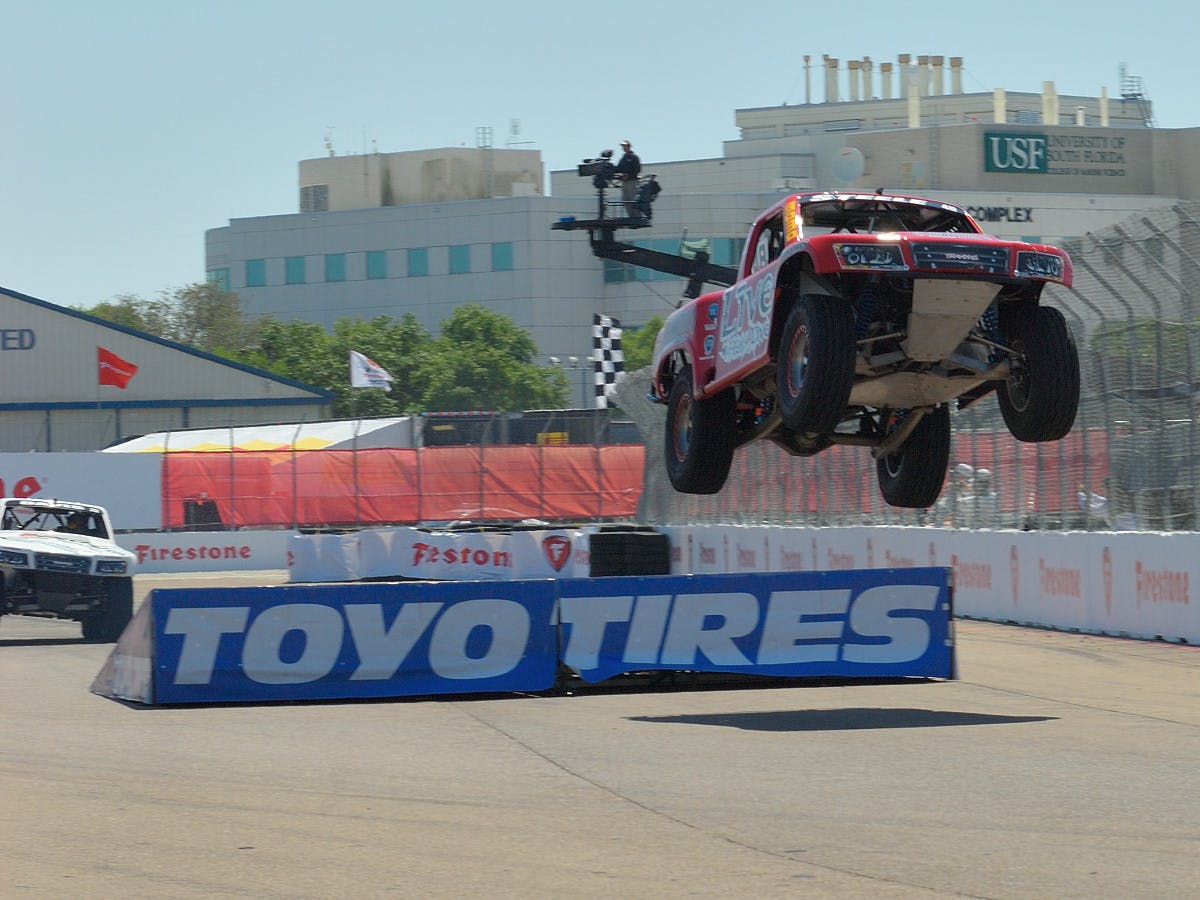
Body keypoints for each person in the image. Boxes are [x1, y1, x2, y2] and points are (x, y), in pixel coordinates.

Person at [614, 140, 641, 217]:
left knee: (633, 200)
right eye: (623, 146)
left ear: (629, 146)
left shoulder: (634, 157)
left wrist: (628, 175)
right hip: (624, 183)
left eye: (625, 146)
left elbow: (637, 169)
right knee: (626, 200)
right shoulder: (623, 158)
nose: (624, 147)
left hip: (632, 181)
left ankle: (637, 216)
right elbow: (618, 169)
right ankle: (631, 216)